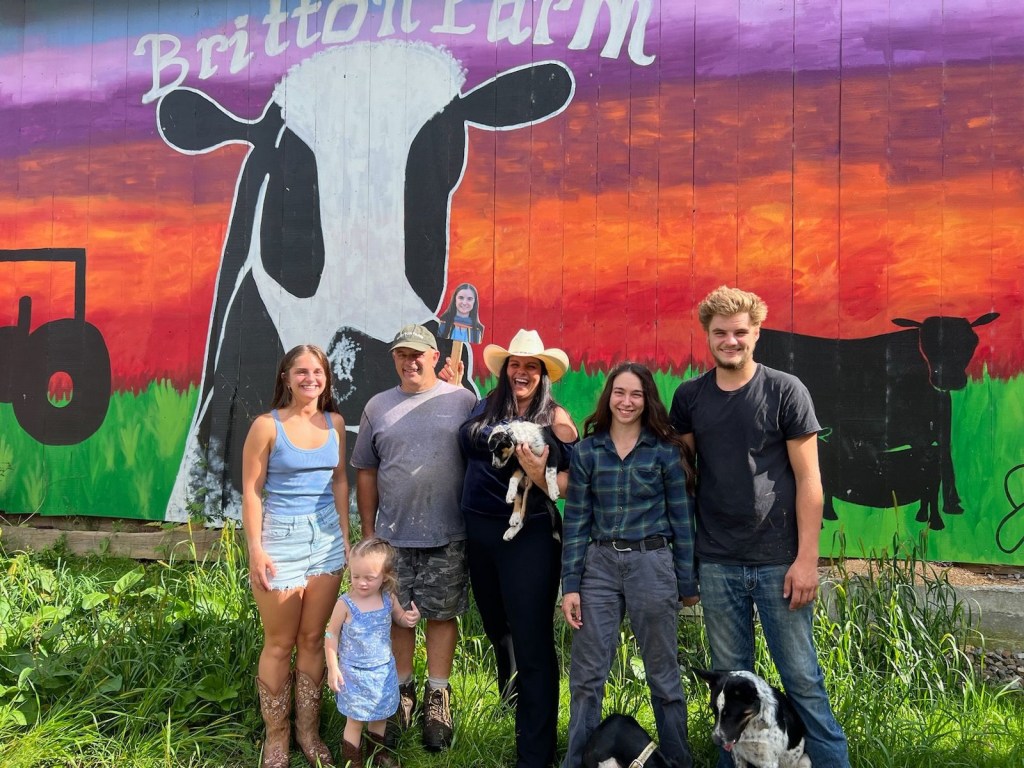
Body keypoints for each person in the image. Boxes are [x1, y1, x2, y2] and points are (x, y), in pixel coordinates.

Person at [669, 285, 850, 768]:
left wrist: (807, 559)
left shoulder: (785, 390)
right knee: (730, 687)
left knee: (803, 681)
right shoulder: (689, 397)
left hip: (779, 561)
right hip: (718, 562)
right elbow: (682, 479)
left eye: (740, 332)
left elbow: (810, 479)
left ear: (757, 334)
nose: (731, 341)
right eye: (721, 333)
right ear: (707, 335)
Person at [560, 362, 699, 768]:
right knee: (587, 676)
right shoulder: (588, 452)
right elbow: (577, 521)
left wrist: (686, 582)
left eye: (636, 394)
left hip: (651, 562)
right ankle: (577, 762)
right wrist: (571, 584)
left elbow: (682, 521)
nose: (627, 401)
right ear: (608, 397)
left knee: (663, 674)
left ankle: (677, 761)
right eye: (619, 393)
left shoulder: (666, 453)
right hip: (599, 565)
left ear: (647, 400)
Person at [350, 324, 477, 751]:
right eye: (402, 355)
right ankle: (402, 690)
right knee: (396, 615)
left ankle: (437, 696)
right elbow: (366, 471)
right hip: (393, 537)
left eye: (418, 353)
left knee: (441, 615)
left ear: (434, 355)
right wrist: (369, 535)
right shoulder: (377, 407)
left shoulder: (463, 401)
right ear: (395, 359)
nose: (410, 361)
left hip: (448, 534)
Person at [458, 329, 578, 768]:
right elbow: (466, 438)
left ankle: (535, 754)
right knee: (497, 628)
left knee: (532, 642)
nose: (522, 372)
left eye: (531, 366)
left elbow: (569, 454)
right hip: (479, 530)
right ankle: (513, 702)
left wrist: (548, 449)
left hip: (529, 536)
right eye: (515, 364)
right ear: (506, 369)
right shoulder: (485, 405)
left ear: (543, 373)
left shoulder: (556, 416)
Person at [242, 344, 349, 768]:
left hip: (325, 540)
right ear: (285, 377)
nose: (310, 379)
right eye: (301, 372)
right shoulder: (266, 427)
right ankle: (277, 737)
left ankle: (307, 731)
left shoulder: (335, 423)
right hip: (280, 540)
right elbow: (251, 491)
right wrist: (255, 549)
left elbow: (340, 481)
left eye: (317, 372)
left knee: (312, 637)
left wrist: (344, 533)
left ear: (326, 378)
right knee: (280, 641)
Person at [325, 537, 422, 768]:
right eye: (356, 576)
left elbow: (398, 617)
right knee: (355, 720)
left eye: (370, 578)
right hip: (353, 674)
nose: (362, 583)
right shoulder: (345, 604)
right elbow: (331, 634)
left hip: (382, 672)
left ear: (385, 577)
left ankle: (378, 756)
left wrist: (408, 619)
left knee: (380, 717)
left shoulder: (388, 598)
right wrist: (332, 667)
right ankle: (353, 761)